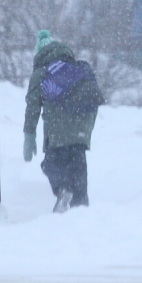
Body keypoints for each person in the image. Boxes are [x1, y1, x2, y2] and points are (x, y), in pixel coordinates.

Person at [23, 30, 102, 213]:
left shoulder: (41, 73)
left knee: (51, 164)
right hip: (81, 132)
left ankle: (63, 190)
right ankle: (81, 206)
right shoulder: (78, 68)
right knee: (78, 167)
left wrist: (29, 136)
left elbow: (32, 107)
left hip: (57, 131)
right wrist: (84, 129)